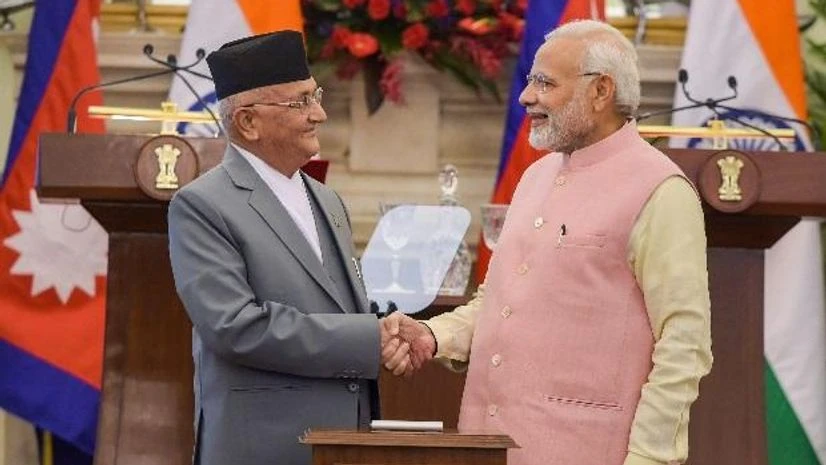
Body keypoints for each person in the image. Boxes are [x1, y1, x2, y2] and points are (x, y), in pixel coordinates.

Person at [382, 19, 713, 465]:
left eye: (544, 83)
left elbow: (685, 342)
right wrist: (432, 335)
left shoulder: (661, 190)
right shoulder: (535, 176)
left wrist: (649, 458)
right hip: (487, 447)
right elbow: (501, 302)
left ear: (601, 91)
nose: (526, 97)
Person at [168, 31, 410, 465]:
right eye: (299, 102)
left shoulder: (327, 199)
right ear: (248, 122)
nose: (318, 113)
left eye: (314, 95)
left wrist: (389, 332)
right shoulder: (203, 205)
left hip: (343, 445)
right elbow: (235, 326)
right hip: (263, 448)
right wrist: (367, 339)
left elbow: (337, 306)